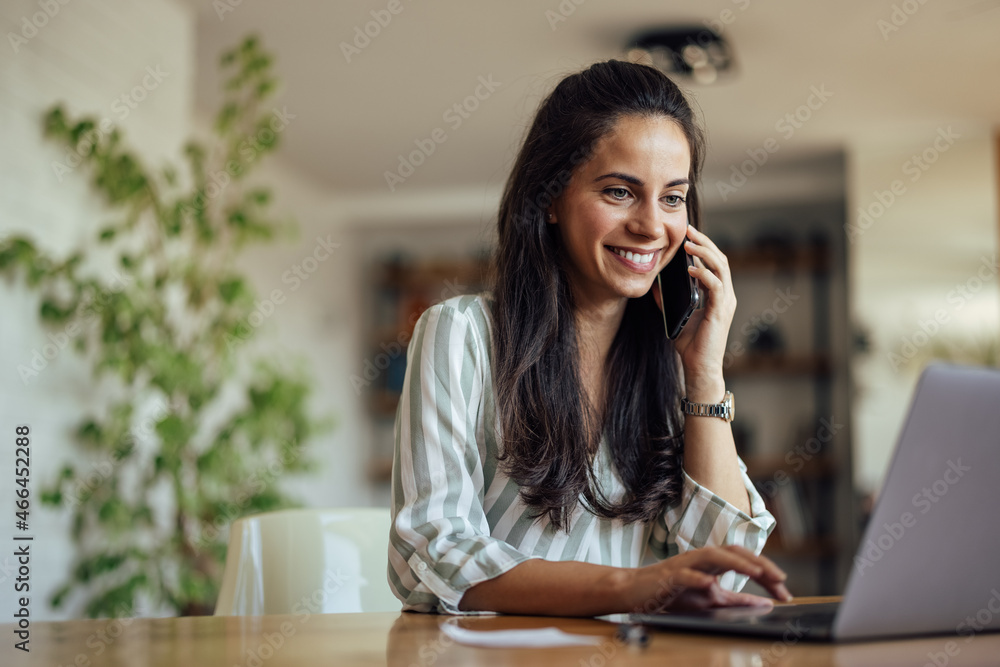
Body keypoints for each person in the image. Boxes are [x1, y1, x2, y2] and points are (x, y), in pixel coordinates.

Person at [387, 59, 792, 616]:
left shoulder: (674, 361)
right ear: (550, 197)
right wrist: (623, 589)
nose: (652, 226)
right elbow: (433, 550)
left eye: (672, 197)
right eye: (621, 192)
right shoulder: (460, 335)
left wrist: (704, 373)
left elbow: (720, 563)